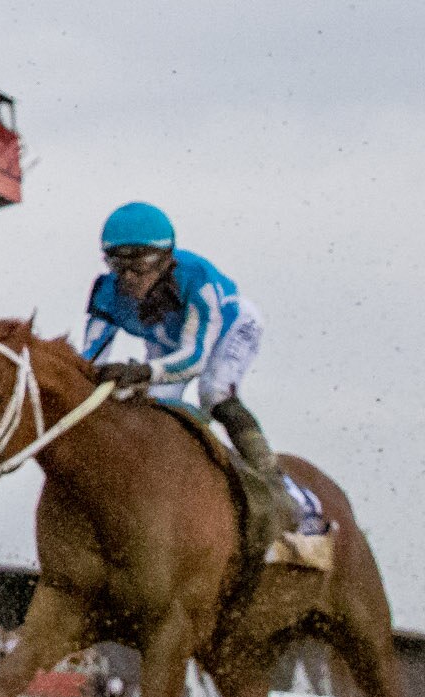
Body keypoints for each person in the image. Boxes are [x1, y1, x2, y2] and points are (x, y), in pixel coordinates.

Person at [79, 201, 291, 526]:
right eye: (119, 264)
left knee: (215, 393)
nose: (131, 277)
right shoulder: (106, 292)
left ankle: (277, 484)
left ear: (167, 258)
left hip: (230, 328)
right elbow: (89, 362)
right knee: (150, 405)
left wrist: (140, 371)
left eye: (142, 262)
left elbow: (193, 360)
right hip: (168, 337)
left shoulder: (198, 282)